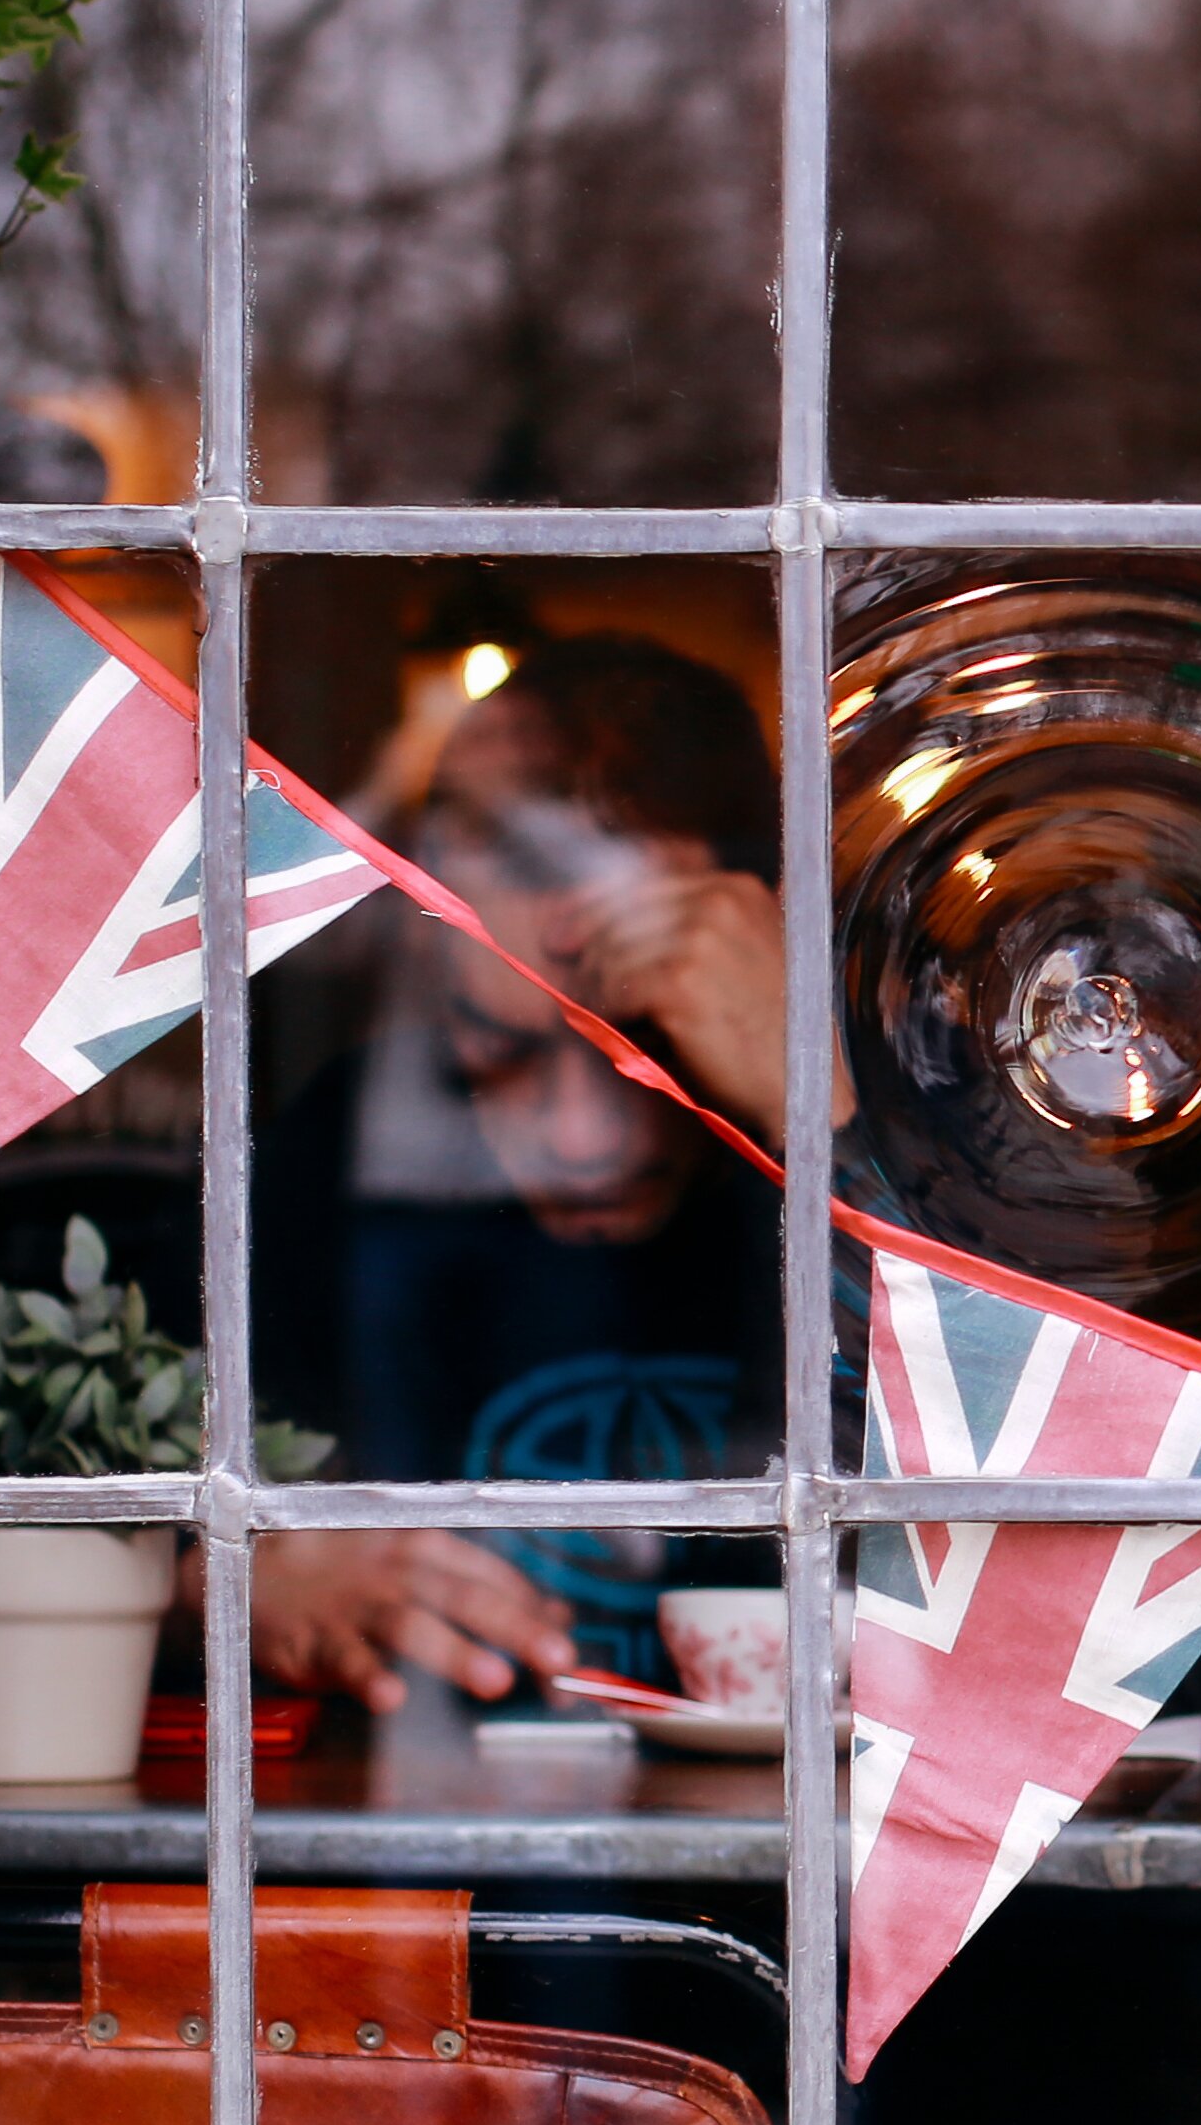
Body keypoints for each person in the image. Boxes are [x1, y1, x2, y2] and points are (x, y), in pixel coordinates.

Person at [243, 635, 827, 1705]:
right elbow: (95, 1492)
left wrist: (820, 1111)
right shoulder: (326, 1158)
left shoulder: (866, 1141)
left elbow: (1042, 1508)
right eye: (499, 1058)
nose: (576, 1142)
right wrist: (236, 1581)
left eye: (645, 1057)